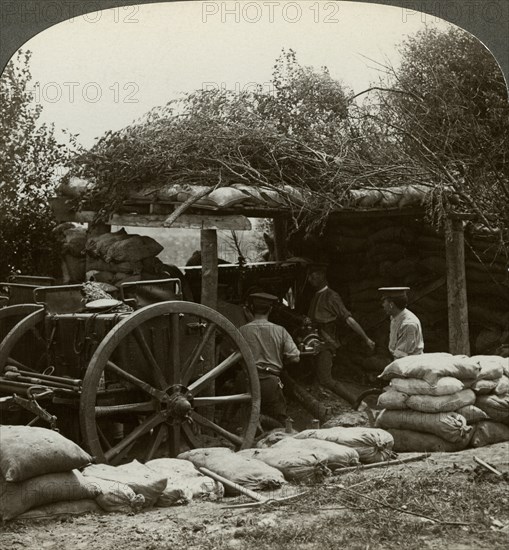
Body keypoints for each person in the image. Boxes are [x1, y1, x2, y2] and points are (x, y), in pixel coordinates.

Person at [307, 264, 375, 385]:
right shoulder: (315, 295)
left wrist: (366, 339)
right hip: (316, 338)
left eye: (313, 276)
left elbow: (348, 319)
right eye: (309, 276)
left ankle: (356, 397)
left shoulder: (332, 296)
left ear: (322, 275)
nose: (310, 279)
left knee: (326, 377)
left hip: (326, 340)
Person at [239, 292, 300, 425]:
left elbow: (233, 357)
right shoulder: (280, 331)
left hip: (247, 382)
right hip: (271, 383)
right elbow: (295, 357)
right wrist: (281, 361)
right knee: (281, 422)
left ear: (251, 309)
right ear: (270, 309)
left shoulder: (242, 331)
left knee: (244, 420)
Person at [379, 287, 424, 359]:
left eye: (384, 302)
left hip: (409, 364)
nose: (383, 305)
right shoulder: (395, 317)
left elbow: (401, 356)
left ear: (391, 305)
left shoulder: (408, 324)